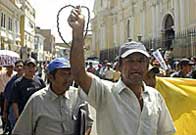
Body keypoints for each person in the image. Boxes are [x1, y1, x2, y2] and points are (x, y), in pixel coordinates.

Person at [68, 7, 176, 135]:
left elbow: (166, 132)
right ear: (119, 66)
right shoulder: (105, 93)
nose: (136, 66)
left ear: (147, 66)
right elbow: (79, 74)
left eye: (140, 61)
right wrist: (78, 35)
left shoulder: (155, 97)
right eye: (130, 61)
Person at [12, 57, 93, 135]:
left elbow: (88, 123)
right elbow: (20, 131)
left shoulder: (78, 96)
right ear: (50, 77)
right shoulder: (37, 100)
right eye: (63, 74)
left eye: (70, 74)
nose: (68, 79)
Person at [3, 60, 24, 133]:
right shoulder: (12, 81)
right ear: (15, 68)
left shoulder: (31, 80)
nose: (19, 68)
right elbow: (7, 97)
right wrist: (5, 111)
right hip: (14, 111)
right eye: (17, 66)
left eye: (21, 66)